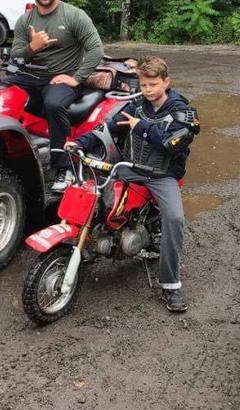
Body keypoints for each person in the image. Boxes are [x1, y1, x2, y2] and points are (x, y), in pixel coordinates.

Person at [66, 56, 200, 313]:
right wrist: (80, 143)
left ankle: (171, 286)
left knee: (174, 219)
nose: (147, 90)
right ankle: (89, 245)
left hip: (162, 175)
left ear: (166, 82)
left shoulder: (182, 112)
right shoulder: (136, 106)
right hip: (130, 167)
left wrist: (143, 127)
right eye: (144, 85)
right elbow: (107, 128)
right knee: (95, 194)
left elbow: (173, 143)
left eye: (153, 84)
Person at [10, 0, 104, 192]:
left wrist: (77, 78)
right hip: (31, 77)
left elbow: (96, 48)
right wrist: (33, 47)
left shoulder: (73, 16)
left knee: (53, 104)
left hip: (61, 79)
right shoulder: (25, 20)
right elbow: (15, 54)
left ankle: (64, 167)